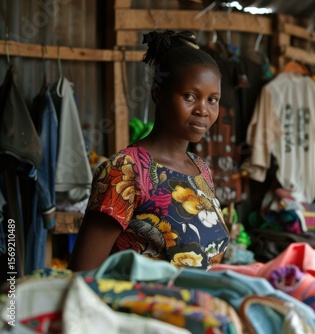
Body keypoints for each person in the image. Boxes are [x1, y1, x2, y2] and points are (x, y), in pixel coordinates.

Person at [68, 30, 229, 271]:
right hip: (137, 306)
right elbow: (83, 274)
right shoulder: (125, 170)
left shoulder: (200, 169)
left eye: (212, 99)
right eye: (189, 96)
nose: (203, 110)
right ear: (158, 95)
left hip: (197, 307)